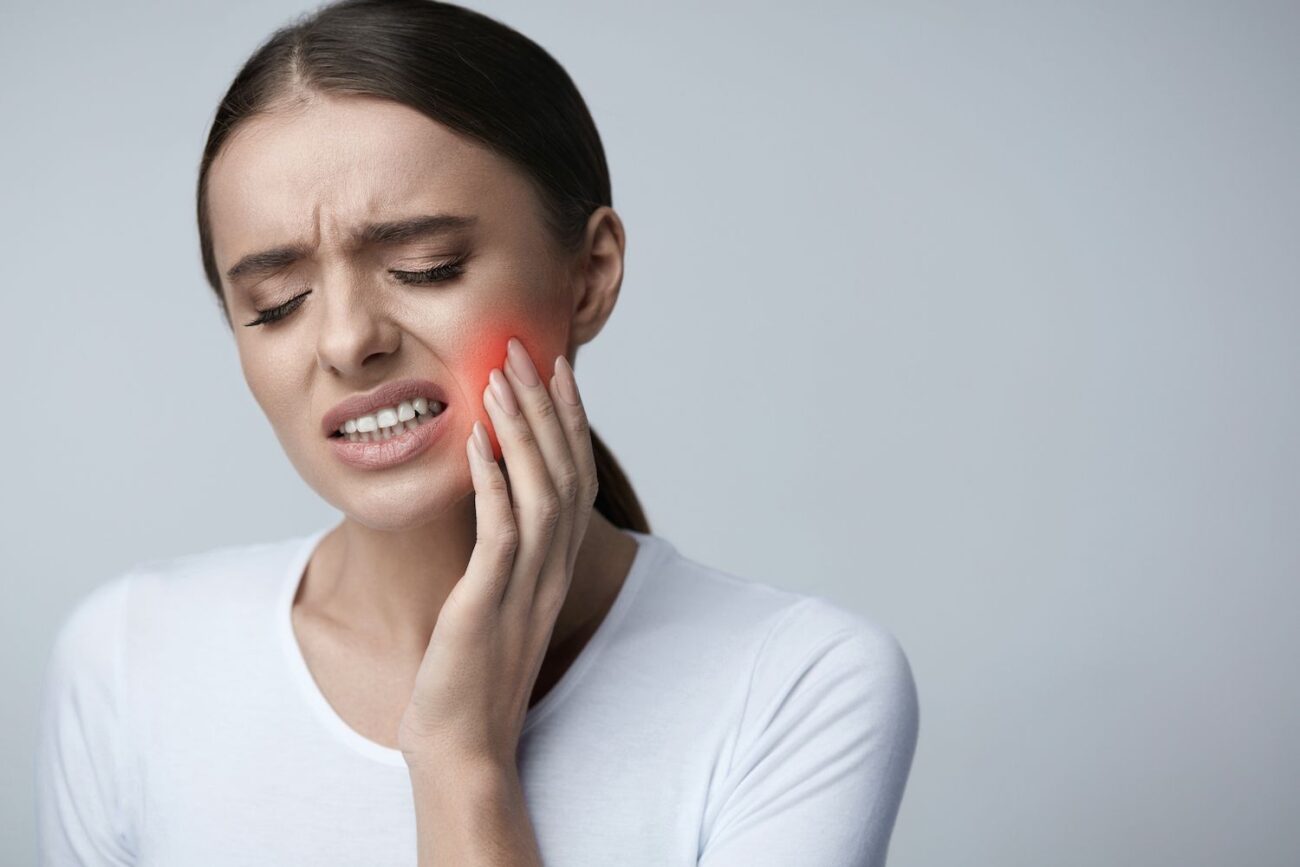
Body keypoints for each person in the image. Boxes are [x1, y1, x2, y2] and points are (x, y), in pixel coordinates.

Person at [34, 1, 919, 864]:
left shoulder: (797, 684)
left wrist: (462, 760)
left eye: (428, 268)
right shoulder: (129, 659)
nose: (347, 341)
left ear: (590, 276)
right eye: (276, 304)